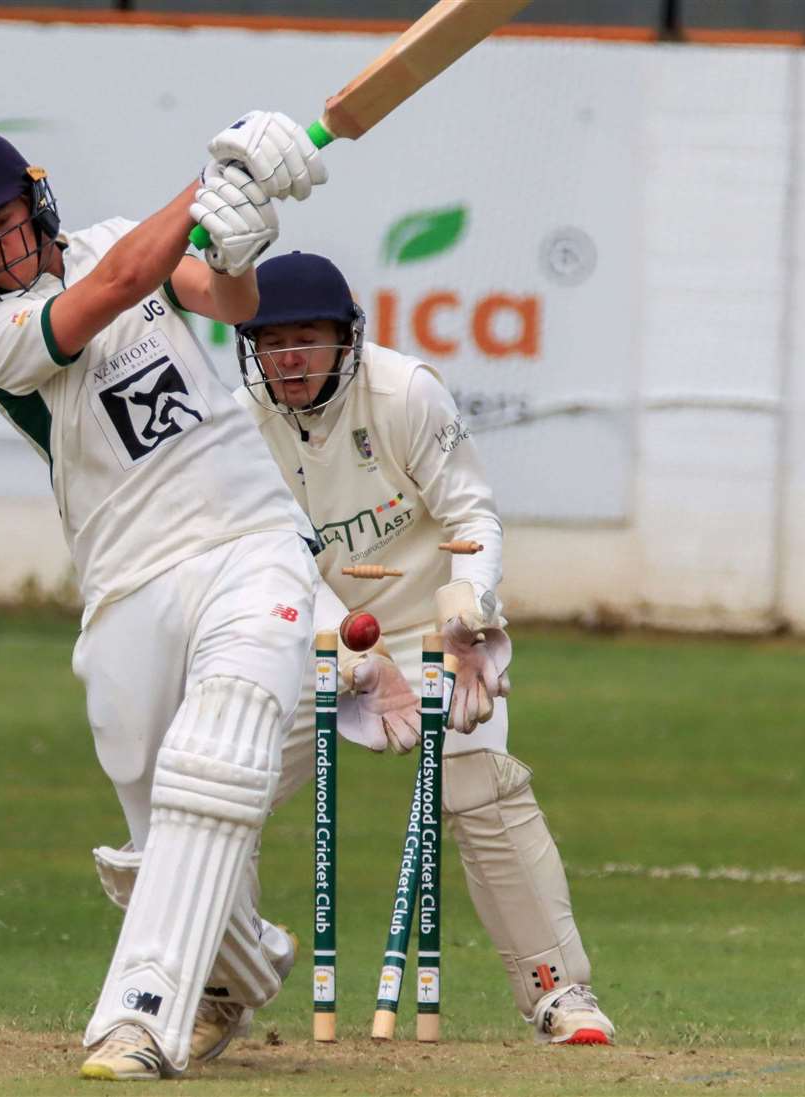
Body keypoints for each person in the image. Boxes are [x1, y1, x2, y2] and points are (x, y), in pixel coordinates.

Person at [0, 116, 329, 1081]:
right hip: (126, 586)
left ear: (38, 203)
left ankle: (137, 1016)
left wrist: (236, 233)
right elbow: (114, 289)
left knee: (213, 759)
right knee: (168, 822)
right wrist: (210, 179)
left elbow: (229, 301)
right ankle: (234, 968)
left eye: (2, 222)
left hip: (244, 537)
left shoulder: (108, 236)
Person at [232, 251, 616, 1049]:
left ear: (346, 341)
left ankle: (559, 990)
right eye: (271, 342)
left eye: (306, 338)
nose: (288, 359)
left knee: (479, 783)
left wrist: (466, 617)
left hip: (431, 632)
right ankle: (215, 983)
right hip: (320, 628)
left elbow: (471, 516)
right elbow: (272, 556)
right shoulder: (242, 421)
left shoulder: (403, 391)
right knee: (224, 784)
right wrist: (347, 646)